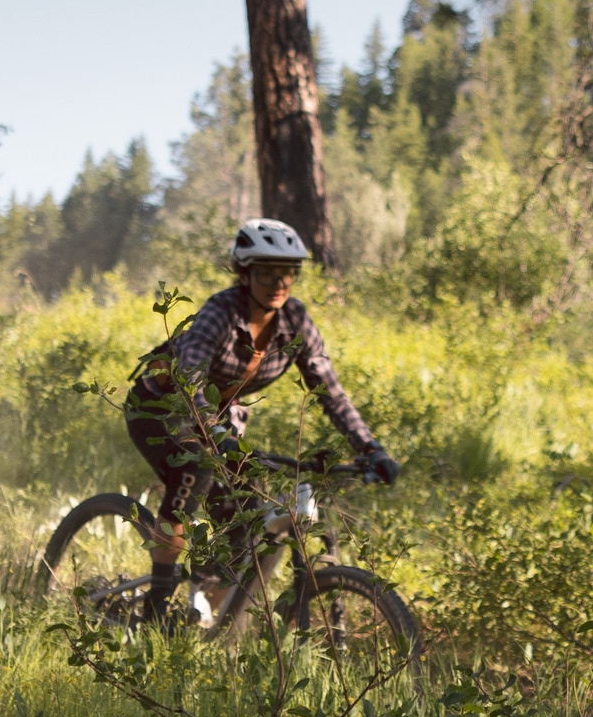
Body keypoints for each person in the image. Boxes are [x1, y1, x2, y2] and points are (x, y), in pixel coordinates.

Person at [124, 217, 399, 612]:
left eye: (287, 273)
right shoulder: (220, 312)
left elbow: (331, 392)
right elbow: (189, 381)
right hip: (162, 407)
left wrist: (371, 447)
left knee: (248, 508)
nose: (279, 283)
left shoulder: (295, 320)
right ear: (244, 273)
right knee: (197, 470)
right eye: (267, 273)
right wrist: (218, 437)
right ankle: (157, 602)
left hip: (219, 415)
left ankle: (206, 598)